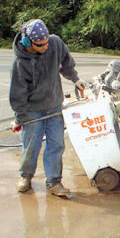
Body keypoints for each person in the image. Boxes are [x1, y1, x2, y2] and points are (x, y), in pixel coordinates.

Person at [9, 19, 85, 196]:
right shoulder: (20, 64)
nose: (45, 47)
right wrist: (20, 119)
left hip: (54, 106)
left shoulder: (55, 43)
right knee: (31, 146)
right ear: (28, 42)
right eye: (40, 45)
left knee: (56, 145)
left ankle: (54, 182)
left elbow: (66, 62)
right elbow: (17, 96)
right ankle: (26, 176)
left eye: (46, 43)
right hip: (32, 111)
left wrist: (75, 79)